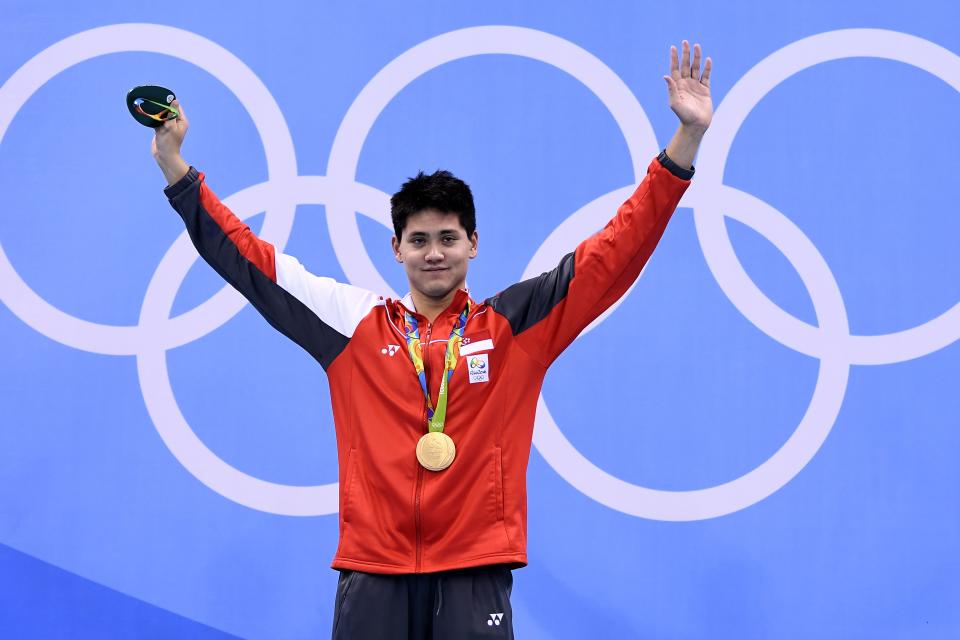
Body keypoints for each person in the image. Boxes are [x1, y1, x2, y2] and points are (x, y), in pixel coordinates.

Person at [151, 40, 713, 640]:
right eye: (418, 240)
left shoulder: (515, 324)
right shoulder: (352, 325)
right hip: (375, 567)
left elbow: (615, 252)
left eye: (448, 237)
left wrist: (685, 144)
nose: (434, 253)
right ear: (396, 249)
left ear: (474, 243)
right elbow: (250, 262)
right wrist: (174, 168)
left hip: (475, 567)